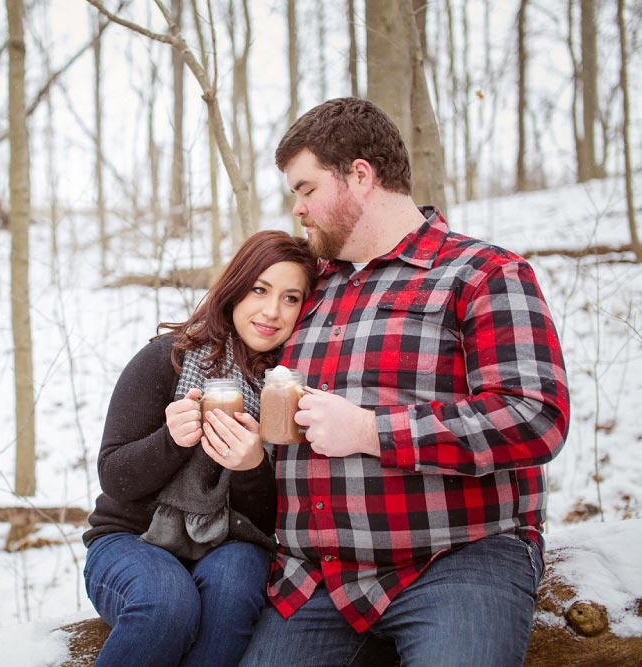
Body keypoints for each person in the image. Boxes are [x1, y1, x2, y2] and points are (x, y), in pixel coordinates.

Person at [239, 98, 570, 667]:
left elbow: (534, 416)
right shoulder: (305, 288)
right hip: (316, 578)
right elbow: (225, 341)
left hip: (459, 558)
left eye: (306, 188)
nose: (298, 208)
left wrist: (372, 431)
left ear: (361, 176)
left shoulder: (481, 273)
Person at [83, 231, 318, 667]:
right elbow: (114, 477)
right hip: (132, 538)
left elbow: (273, 522)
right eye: (260, 290)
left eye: (291, 298)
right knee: (166, 604)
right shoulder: (166, 360)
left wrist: (250, 467)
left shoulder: (294, 388)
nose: (272, 311)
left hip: (234, 545)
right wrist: (171, 441)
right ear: (234, 289)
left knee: (232, 591)